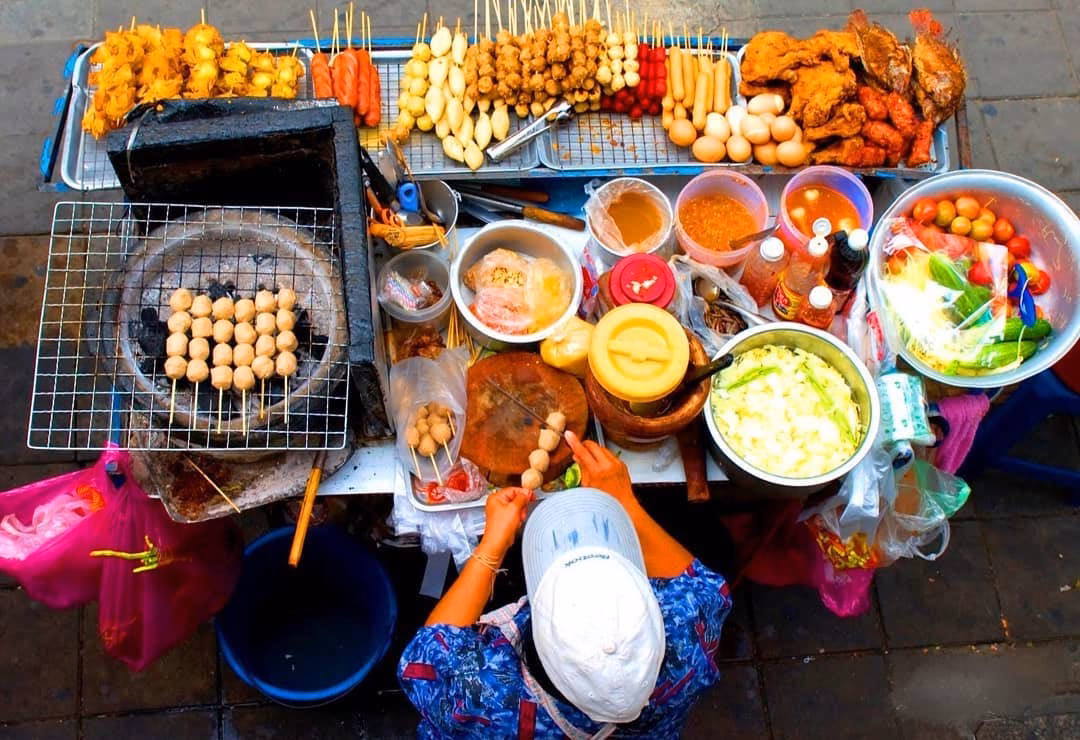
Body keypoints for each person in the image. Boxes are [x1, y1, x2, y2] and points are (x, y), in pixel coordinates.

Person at [398, 431, 733, 738]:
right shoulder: (688, 640)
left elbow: (428, 653)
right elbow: (704, 585)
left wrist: (492, 545)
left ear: (534, 649)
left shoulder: (480, 699)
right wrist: (624, 501)